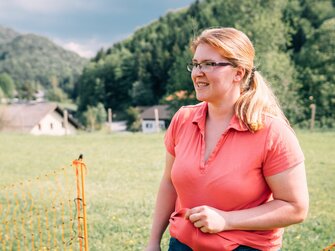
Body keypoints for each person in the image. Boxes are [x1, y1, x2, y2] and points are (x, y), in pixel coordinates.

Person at [145, 27, 309, 251]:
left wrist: (226, 220)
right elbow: (169, 183)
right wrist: (153, 242)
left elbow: (295, 207)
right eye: (195, 64)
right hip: (182, 245)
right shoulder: (183, 119)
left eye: (209, 64)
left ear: (238, 73)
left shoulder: (272, 132)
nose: (197, 73)